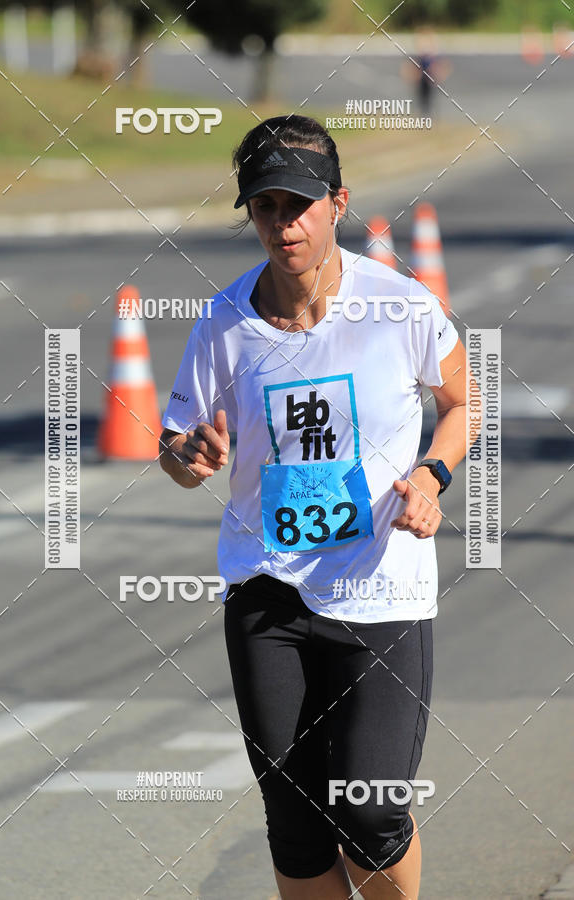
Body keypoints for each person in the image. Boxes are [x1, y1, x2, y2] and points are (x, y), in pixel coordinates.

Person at [159, 114, 472, 899]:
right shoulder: (223, 325)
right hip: (267, 592)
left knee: (370, 812)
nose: (282, 223)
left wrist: (431, 476)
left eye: (298, 204)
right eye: (264, 206)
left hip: (380, 590)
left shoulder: (400, 307)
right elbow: (174, 447)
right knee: (295, 821)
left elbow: (465, 401)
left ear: (338, 203)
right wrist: (187, 457)